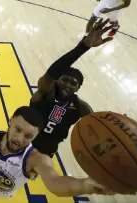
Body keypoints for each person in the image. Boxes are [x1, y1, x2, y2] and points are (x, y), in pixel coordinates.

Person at [0, 106, 131, 198]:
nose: (19, 139)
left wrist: (86, 185)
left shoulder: (36, 159)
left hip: (4, 195)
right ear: (10, 122)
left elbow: (55, 183)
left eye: (28, 136)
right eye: (17, 130)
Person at [30, 18, 113, 159]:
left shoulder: (81, 107)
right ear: (57, 80)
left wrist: (114, 127)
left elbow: (97, 127)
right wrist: (82, 48)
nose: (67, 85)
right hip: (24, 143)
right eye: (64, 80)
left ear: (78, 88)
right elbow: (51, 73)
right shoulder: (45, 92)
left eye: (73, 83)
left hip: (46, 152)